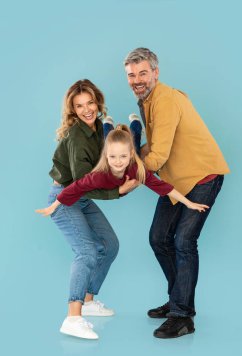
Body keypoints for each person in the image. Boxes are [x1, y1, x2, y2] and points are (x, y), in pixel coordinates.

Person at [124, 47, 230, 339]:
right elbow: (155, 147)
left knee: (184, 240)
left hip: (203, 175)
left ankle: (182, 316)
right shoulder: (147, 101)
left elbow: (156, 159)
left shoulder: (166, 99)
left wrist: (128, 179)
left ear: (155, 73)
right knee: (159, 238)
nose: (137, 79)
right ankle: (177, 300)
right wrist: (126, 156)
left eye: (143, 73)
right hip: (177, 178)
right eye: (132, 75)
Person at [39, 79, 137, 340]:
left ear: (98, 102)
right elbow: (83, 184)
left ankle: (89, 300)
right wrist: (118, 191)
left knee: (110, 244)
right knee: (86, 251)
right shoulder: (77, 137)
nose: (86, 109)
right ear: (73, 110)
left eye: (90, 102)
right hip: (64, 196)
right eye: (79, 106)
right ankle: (73, 317)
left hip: (79, 196)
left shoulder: (97, 130)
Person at [36, 125, 209, 217]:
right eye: (113, 157)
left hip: (130, 147)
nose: (118, 162)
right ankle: (108, 126)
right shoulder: (99, 176)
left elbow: (163, 187)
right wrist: (53, 205)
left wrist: (189, 203)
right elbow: (75, 188)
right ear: (106, 156)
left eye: (123, 157)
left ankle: (135, 123)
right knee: (107, 133)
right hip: (107, 161)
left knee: (133, 134)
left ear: (131, 156)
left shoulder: (135, 168)